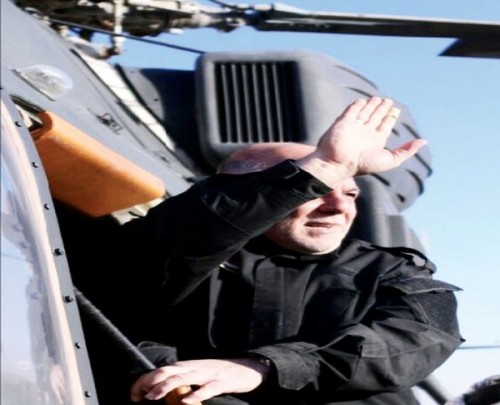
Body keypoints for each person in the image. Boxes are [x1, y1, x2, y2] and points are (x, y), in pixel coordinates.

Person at [111, 97, 462, 404]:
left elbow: (413, 342)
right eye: (318, 190)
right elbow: (161, 249)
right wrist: (323, 165)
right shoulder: (174, 254)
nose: (339, 207)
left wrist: (262, 368)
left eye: (351, 194)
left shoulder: (391, 270)